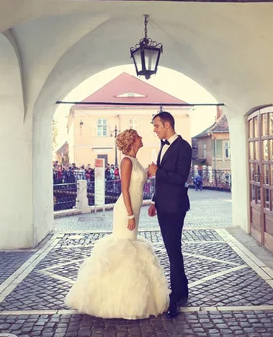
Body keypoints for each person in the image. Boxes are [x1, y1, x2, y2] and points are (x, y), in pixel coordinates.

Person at [64, 129, 169, 319]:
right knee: (123, 247)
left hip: (134, 210)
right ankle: (116, 299)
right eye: (139, 136)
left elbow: (139, 181)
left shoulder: (135, 161)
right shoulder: (126, 161)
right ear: (132, 141)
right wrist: (129, 214)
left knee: (130, 246)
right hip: (126, 210)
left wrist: (149, 172)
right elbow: (125, 189)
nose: (142, 138)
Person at [147, 111, 192, 319]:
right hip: (163, 205)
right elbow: (162, 180)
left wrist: (157, 172)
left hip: (175, 206)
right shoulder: (163, 146)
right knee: (173, 249)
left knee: (173, 250)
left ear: (166, 124)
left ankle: (175, 298)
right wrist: (155, 201)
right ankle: (182, 289)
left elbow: (180, 177)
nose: (154, 130)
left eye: (156, 126)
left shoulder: (184, 147)